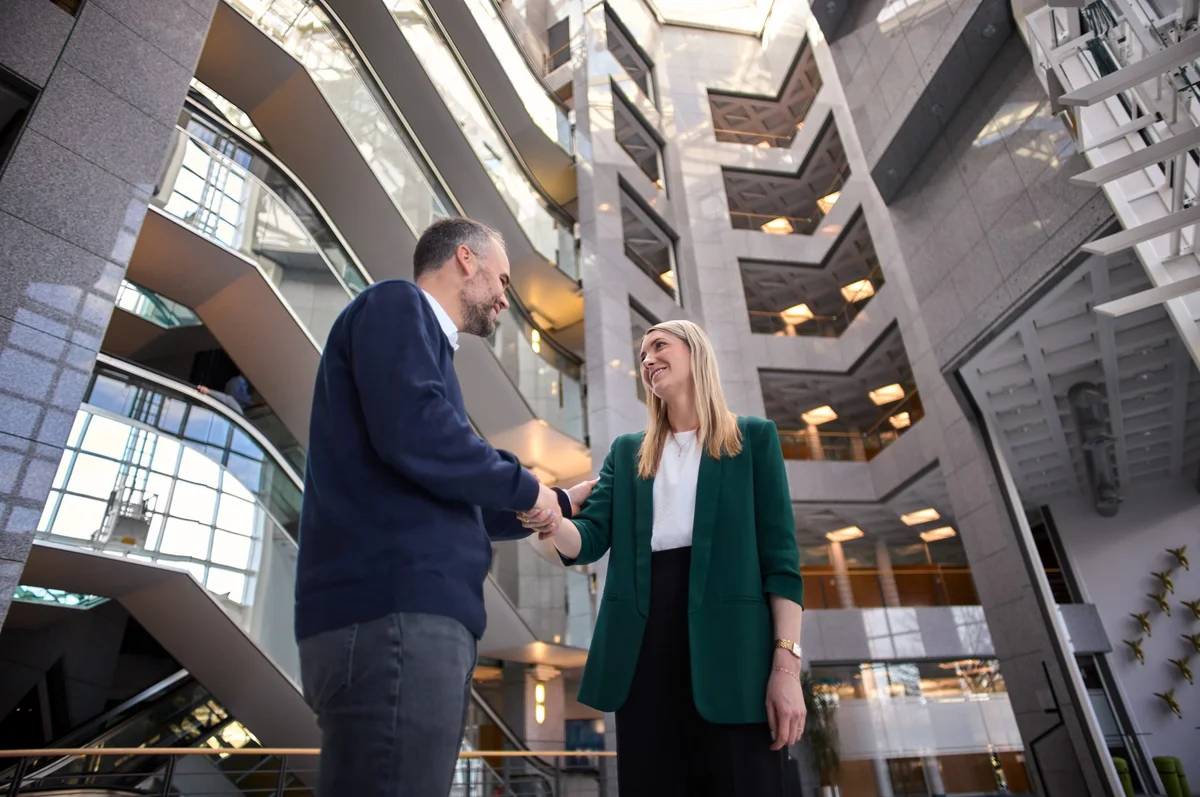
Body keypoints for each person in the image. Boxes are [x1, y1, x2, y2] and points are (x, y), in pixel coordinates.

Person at [295, 217, 595, 797]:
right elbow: (421, 434)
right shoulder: (395, 304)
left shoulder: (420, 344)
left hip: (403, 618)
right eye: (502, 279)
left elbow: (441, 484)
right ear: (465, 258)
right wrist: (530, 488)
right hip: (397, 612)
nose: (506, 299)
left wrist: (555, 503)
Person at [520, 319, 807, 797]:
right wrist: (551, 519)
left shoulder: (754, 439)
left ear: (695, 353)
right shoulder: (629, 452)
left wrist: (785, 670)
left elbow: (781, 564)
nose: (647, 359)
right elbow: (589, 538)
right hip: (643, 653)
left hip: (736, 658)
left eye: (659, 346)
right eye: (642, 355)